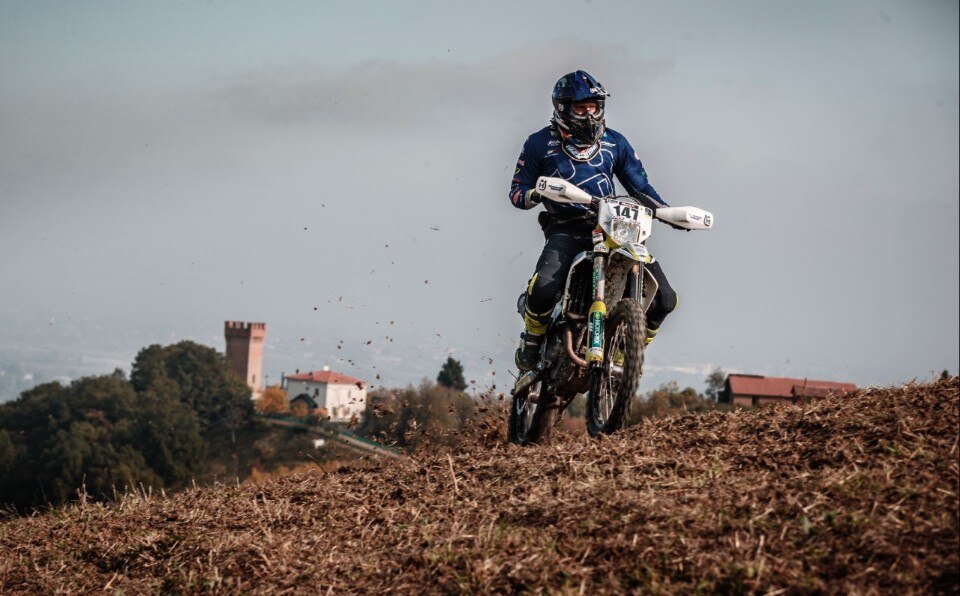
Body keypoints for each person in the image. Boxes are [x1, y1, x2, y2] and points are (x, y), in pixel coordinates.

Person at [509, 70, 680, 372]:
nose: (588, 115)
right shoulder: (539, 143)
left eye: (593, 107)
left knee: (665, 300)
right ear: (562, 109)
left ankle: (627, 352)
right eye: (580, 108)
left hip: (614, 229)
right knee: (544, 288)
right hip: (567, 228)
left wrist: (666, 212)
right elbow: (517, 191)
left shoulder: (616, 142)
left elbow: (640, 188)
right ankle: (532, 338)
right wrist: (535, 193)